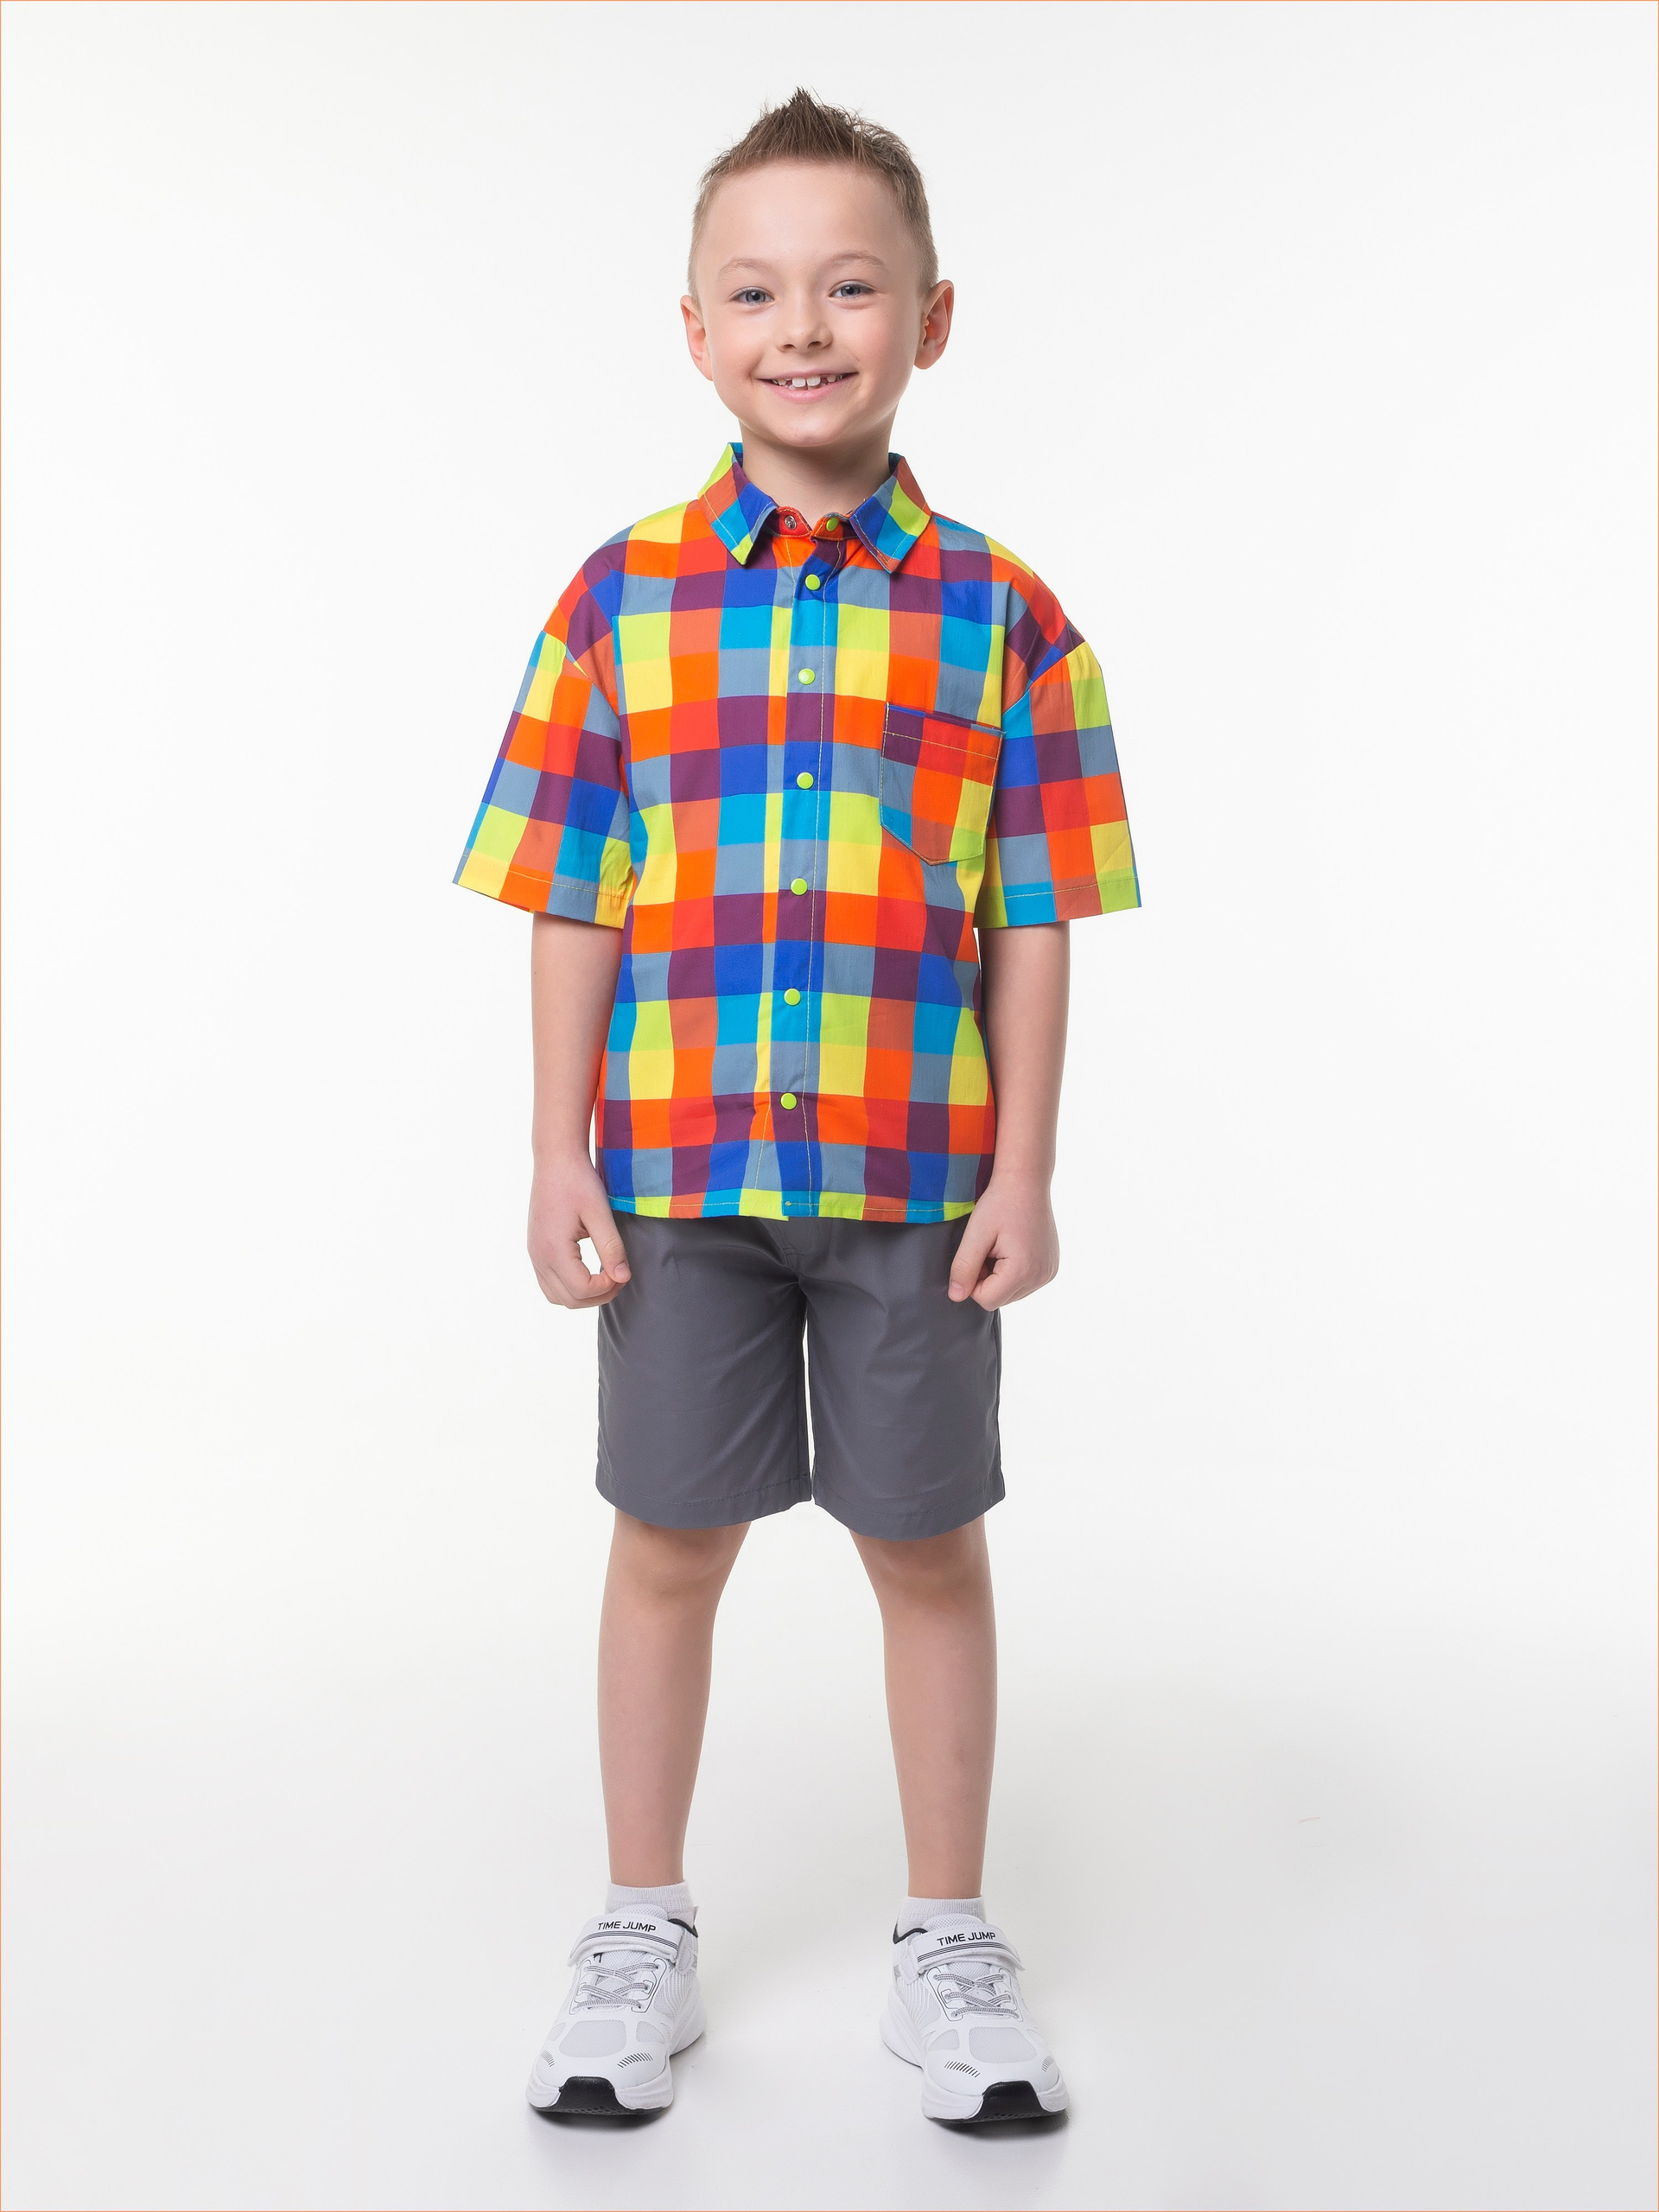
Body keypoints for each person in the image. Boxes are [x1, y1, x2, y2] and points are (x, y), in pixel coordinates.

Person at [454, 88, 1139, 2126]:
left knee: (927, 1543)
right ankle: (637, 1924)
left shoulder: (1011, 619)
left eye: (851, 286)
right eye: (755, 292)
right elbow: (576, 891)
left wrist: (1026, 1167)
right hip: (677, 1178)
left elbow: (1034, 914)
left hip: (919, 1181)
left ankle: (949, 1938)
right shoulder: (619, 600)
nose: (804, 326)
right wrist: (557, 1147)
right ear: (694, 329)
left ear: (934, 317)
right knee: (668, 1537)